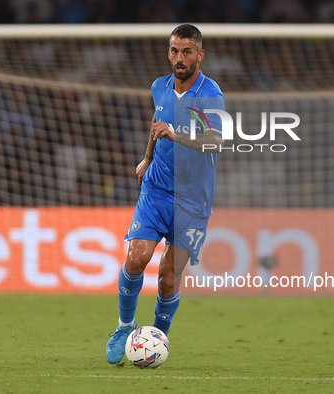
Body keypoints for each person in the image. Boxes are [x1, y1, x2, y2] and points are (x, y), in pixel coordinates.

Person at [105, 24, 225, 364]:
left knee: (168, 276)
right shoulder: (159, 86)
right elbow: (157, 126)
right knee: (137, 258)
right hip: (156, 188)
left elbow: (214, 142)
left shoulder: (210, 94)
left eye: (187, 51)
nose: (179, 58)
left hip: (193, 199)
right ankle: (124, 327)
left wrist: (176, 135)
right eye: (174, 50)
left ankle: (157, 338)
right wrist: (146, 157)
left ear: (200, 55)